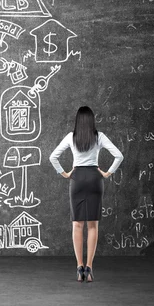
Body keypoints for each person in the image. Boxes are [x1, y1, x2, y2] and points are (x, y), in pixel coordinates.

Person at [49, 106, 123, 282]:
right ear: (92, 120)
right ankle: (89, 269)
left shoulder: (71, 137)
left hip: (77, 179)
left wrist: (65, 173)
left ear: (77, 121)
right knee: (92, 225)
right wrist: (107, 173)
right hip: (94, 179)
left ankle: (79, 267)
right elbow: (119, 156)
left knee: (77, 225)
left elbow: (53, 157)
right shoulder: (99, 136)